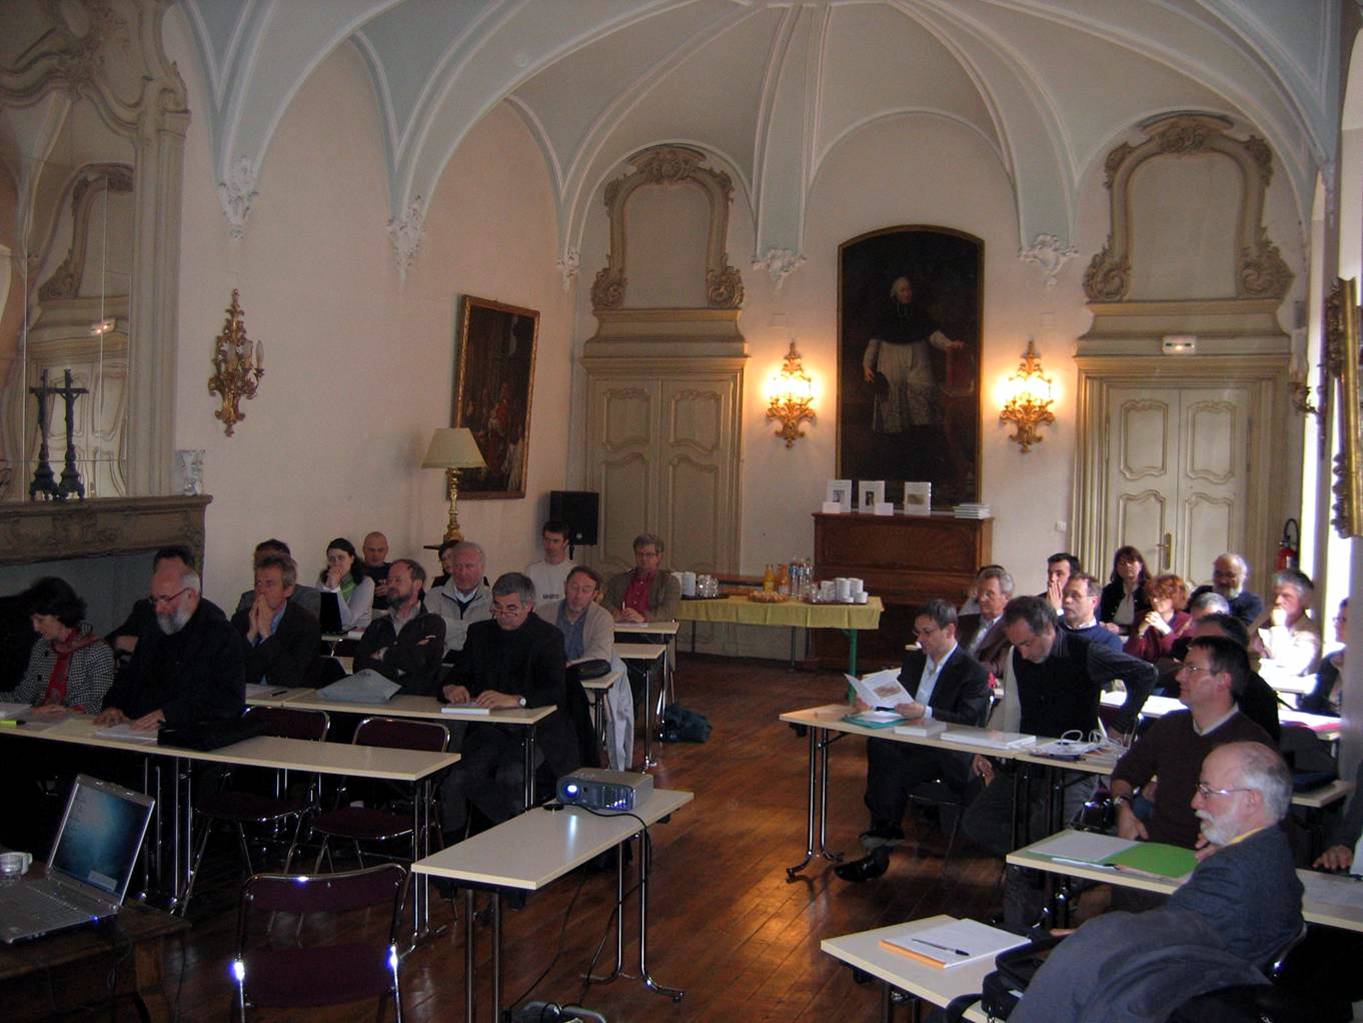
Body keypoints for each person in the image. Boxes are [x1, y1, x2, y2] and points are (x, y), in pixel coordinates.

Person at [1010, 743, 1303, 1023]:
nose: (1195, 802)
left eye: (1207, 791)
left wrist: (1094, 937)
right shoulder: (1272, 854)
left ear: (1251, 800)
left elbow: (1165, 938)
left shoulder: (1232, 874)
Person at [961, 596, 1157, 926]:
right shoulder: (1018, 655)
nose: (1022, 653)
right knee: (979, 820)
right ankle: (1038, 877)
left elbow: (1146, 673)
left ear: (1049, 629)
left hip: (1074, 767)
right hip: (1029, 760)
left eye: (1026, 643)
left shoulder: (1086, 652)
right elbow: (1013, 709)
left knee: (1044, 831)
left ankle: (1032, 904)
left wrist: (1122, 724)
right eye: (1015, 644)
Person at [834, 599, 990, 882]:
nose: (920, 640)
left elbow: (969, 718)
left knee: (889, 768)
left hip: (946, 750)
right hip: (910, 740)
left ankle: (881, 843)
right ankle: (883, 837)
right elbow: (898, 698)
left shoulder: (972, 671)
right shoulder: (915, 660)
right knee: (880, 747)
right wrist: (872, 703)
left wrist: (927, 711)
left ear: (950, 630)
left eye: (927, 632)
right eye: (917, 633)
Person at [439, 573, 580, 840]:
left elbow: (555, 692)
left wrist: (516, 699)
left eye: (511, 609)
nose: (503, 615)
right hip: (490, 729)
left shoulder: (548, 637)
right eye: (498, 608)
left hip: (537, 731)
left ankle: (515, 840)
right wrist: (451, 688)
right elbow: (458, 673)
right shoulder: (480, 633)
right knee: (457, 778)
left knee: (511, 776)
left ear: (529, 606)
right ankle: (456, 847)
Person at [1109, 635, 1272, 849]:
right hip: (1154, 848)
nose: (1180, 677)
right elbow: (1125, 773)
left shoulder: (1253, 744)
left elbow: (1269, 825)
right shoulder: (1170, 725)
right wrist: (1123, 808)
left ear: (1223, 680)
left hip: (1214, 859)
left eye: (1192, 669)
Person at [96, 561, 244, 730]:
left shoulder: (220, 634)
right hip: (141, 730)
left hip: (191, 735)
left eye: (165, 599)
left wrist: (168, 714)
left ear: (190, 595)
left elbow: (227, 700)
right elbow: (131, 676)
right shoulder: (154, 626)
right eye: (155, 599)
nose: (158, 608)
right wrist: (114, 706)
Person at [861, 275, 964, 479]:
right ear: (895, 293)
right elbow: (874, 343)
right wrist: (866, 364)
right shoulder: (886, 316)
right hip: (891, 359)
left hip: (918, 358)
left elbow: (934, 335)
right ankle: (898, 468)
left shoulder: (919, 314)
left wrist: (949, 344)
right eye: (902, 290)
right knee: (894, 413)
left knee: (922, 408)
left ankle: (923, 466)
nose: (907, 293)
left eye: (908, 290)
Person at [535, 565, 634, 771]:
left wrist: (566, 667)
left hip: (583, 683)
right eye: (574, 587)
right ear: (565, 587)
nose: (578, 595)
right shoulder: (543, 613)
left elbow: (599, 655)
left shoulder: (602, 618)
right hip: (548, 683)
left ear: (595, 594)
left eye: (585, 590)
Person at [0, 577, 114, 713]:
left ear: (59, 614)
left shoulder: (97, 650)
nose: (35, 628)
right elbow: (22, 696)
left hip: (74, 729)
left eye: (40, 620)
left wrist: (66, 712)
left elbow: (101, 704)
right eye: (33, 620)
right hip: (40, 724)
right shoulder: (41, 647)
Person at [353, 559, 445, 695]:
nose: (391, 585)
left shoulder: (432, 623)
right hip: (376, 697)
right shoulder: (378, 624)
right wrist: (398, 670)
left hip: (417, 701)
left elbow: (421, 662)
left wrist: (383, 653)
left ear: (417, 584)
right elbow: (360, 665)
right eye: (389, 580)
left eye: (398, 580)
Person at [1184, 613, 1281, 742]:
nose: (1197, 650)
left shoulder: (1254, 694)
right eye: (1194, 644)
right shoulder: (1170, 723)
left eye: (1209, 644)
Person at [229, 553, 321, 686]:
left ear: (288, 590)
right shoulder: (241, 620)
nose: (261, 590)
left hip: (286, 702)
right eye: (258, 584)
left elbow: (292, 679)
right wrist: (250, 635)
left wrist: (267, 635)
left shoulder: (305, 624)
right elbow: (231, 674)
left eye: (269, 584)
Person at [106, 545, 197, 662]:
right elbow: (110, 641)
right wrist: (118, 642)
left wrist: (139, 645)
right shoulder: (145, 608)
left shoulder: (207, 616)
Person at [426, 540, 493, 663]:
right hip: (440, 667)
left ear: (482, 568)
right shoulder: (434, 596)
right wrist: (472, 629)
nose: (463, 572)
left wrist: (446, 626)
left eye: (469, 566)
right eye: (458, 566)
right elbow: (428, 635)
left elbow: (489, 640)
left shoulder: (494, 601)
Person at [1250, 567, 1321, 681]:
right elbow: (1245, 641)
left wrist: (1278, 627)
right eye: (1276, 595)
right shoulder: (1268, 613)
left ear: (1303, 600)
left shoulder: (1309, 633)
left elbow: (1286, 665)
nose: (1278, 601)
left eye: (1286, 596)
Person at [233, 539, 321, 618]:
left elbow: (304, 627)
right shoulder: (247, 598)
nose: (264, 566)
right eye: (259, 562)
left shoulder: (307, 596)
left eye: (271, 562)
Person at [603, 533, 680, 623]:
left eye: (649, 555)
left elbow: (668, 611)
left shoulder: (669, 582)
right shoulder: (618, 580)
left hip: (653, 632)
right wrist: (616, 613)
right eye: (639, 554)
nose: (643, 559)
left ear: (659, 557)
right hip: (620, 628)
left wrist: (643, 617)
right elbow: (605, 603)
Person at [1123, 572, 1192, 665]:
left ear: (1174, 598)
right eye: (1152, 596)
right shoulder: (1140, 617)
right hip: (1146, 671)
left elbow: (1183, 656)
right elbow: (1130, 655)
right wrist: (1140, 632)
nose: (1154, 601)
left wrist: (1166, 631)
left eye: (1161, 597)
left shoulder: (1187, 621)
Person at [956, 565, 1012, 675]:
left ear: (1006, 597)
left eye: (989, 594)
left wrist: (960, 665)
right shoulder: (962, 622)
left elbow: (997, 667)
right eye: (980, 592)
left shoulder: (1010, 630)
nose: (981, 598)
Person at [1188, 552, 1264, 627]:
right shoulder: (1201, 593)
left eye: (1230, 575)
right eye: (1218, 574)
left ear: (1243, 577)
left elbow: (1241, 631)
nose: (1223, 580)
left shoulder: (1252, 602)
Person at [1301, 597, 1348, 716]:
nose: (1337, 625)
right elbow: (1312, 703)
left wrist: (1343, 672)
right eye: (1337, 619)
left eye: (1344, 620)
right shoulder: (1331, 660)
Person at [317, 537, 375, 631]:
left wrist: (335, 588)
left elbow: (347, 620)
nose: (336, 563)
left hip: (355, 637)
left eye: (341, 558)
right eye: (332, 559)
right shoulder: (323, 580)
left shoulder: (365, 583)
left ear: (352, 559)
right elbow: (320, 614)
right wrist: (327, 587)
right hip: (329, 634)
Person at [1060, 572, 1123, 652]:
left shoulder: (1108, 641)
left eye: (1075, 595)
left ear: (1093, 602)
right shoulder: (1052, 633)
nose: (1066, 600)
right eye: (1065, 594)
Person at [1098, 545, 1150, 635]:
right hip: (1110, 636)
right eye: (1122, 563)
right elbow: (1102, 616)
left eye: (1131, 562)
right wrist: (1103, 625)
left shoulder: (1150, 590)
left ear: (1141, 565)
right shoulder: (1110, 591)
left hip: (1139, 638)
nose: (1127, 565)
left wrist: (1122, 630)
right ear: (1116, 568)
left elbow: (1150, 624)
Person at [525, 520, 575, 604]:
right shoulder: (531, 571)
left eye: (555, 541)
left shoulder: (574, 571)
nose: (550, 545)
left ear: (565, 543)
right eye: (547, 540)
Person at [361, 531, 392, 598]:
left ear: (386, 550)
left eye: (380, 550)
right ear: (363, 550)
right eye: (371, 550)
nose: (376, 554)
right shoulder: (355, 569)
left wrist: (392, 591)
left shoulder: (394, 570)